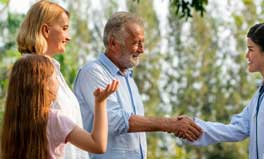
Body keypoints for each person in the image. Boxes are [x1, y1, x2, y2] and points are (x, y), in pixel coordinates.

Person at [73, 11, 202, 159]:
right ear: (113, 43)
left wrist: (179, 124)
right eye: (135, 43)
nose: (142, 50)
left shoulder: (128, 78)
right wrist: (169, 124)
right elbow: (114, 120)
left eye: (142, 42)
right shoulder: (93, 72)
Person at [186, 22, 264, 159]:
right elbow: (236, 129)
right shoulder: (262, 93)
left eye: (251, 49)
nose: (247, 55)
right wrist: (193, 126)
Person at [1, 55, 119, 159]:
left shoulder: (12, 122)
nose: (58, 81)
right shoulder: (54, 119)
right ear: (44, 84)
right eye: (55, 76)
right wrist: (100, 103)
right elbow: (98, 145)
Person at [15, 1, 88, 158]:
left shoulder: (53, 70)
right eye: (64, 28)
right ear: (46, 30)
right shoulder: (32, 74)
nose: (68, 37)